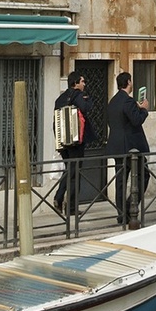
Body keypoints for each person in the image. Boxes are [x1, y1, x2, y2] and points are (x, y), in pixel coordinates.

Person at [106, 71, 150, 224]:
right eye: (131, 81)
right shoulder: (128, 101)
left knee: (120, 181)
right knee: (143, 176)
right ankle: (130, 208)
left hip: (116, 146)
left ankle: (121, 214)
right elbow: (136, 120)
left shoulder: (113, 101)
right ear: (129, 82)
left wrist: (135, 108)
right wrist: (144, 109)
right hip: (131, 147)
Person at [53, 71, 95, 215]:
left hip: (63, 141)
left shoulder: (60, 98)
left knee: (69, 169)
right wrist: (88, 99)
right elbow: (86, 108)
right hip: (75, 142)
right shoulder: (78, 95)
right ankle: (69, 207)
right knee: (74, 173)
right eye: (82, 81)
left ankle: (59, 199)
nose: (84, 84)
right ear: (75, 83)